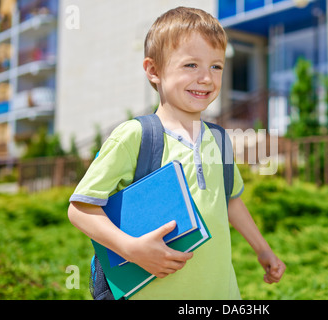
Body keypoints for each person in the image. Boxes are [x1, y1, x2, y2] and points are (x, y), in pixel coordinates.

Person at [68, 6, 285, 300]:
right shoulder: (135, 136)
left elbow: (231, 201)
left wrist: (263, 250)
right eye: (191, 65)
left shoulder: (220, 139)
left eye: (216, 66)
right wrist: (131, 249)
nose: (207, 78)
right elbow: (80, 209)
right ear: (154, 70)